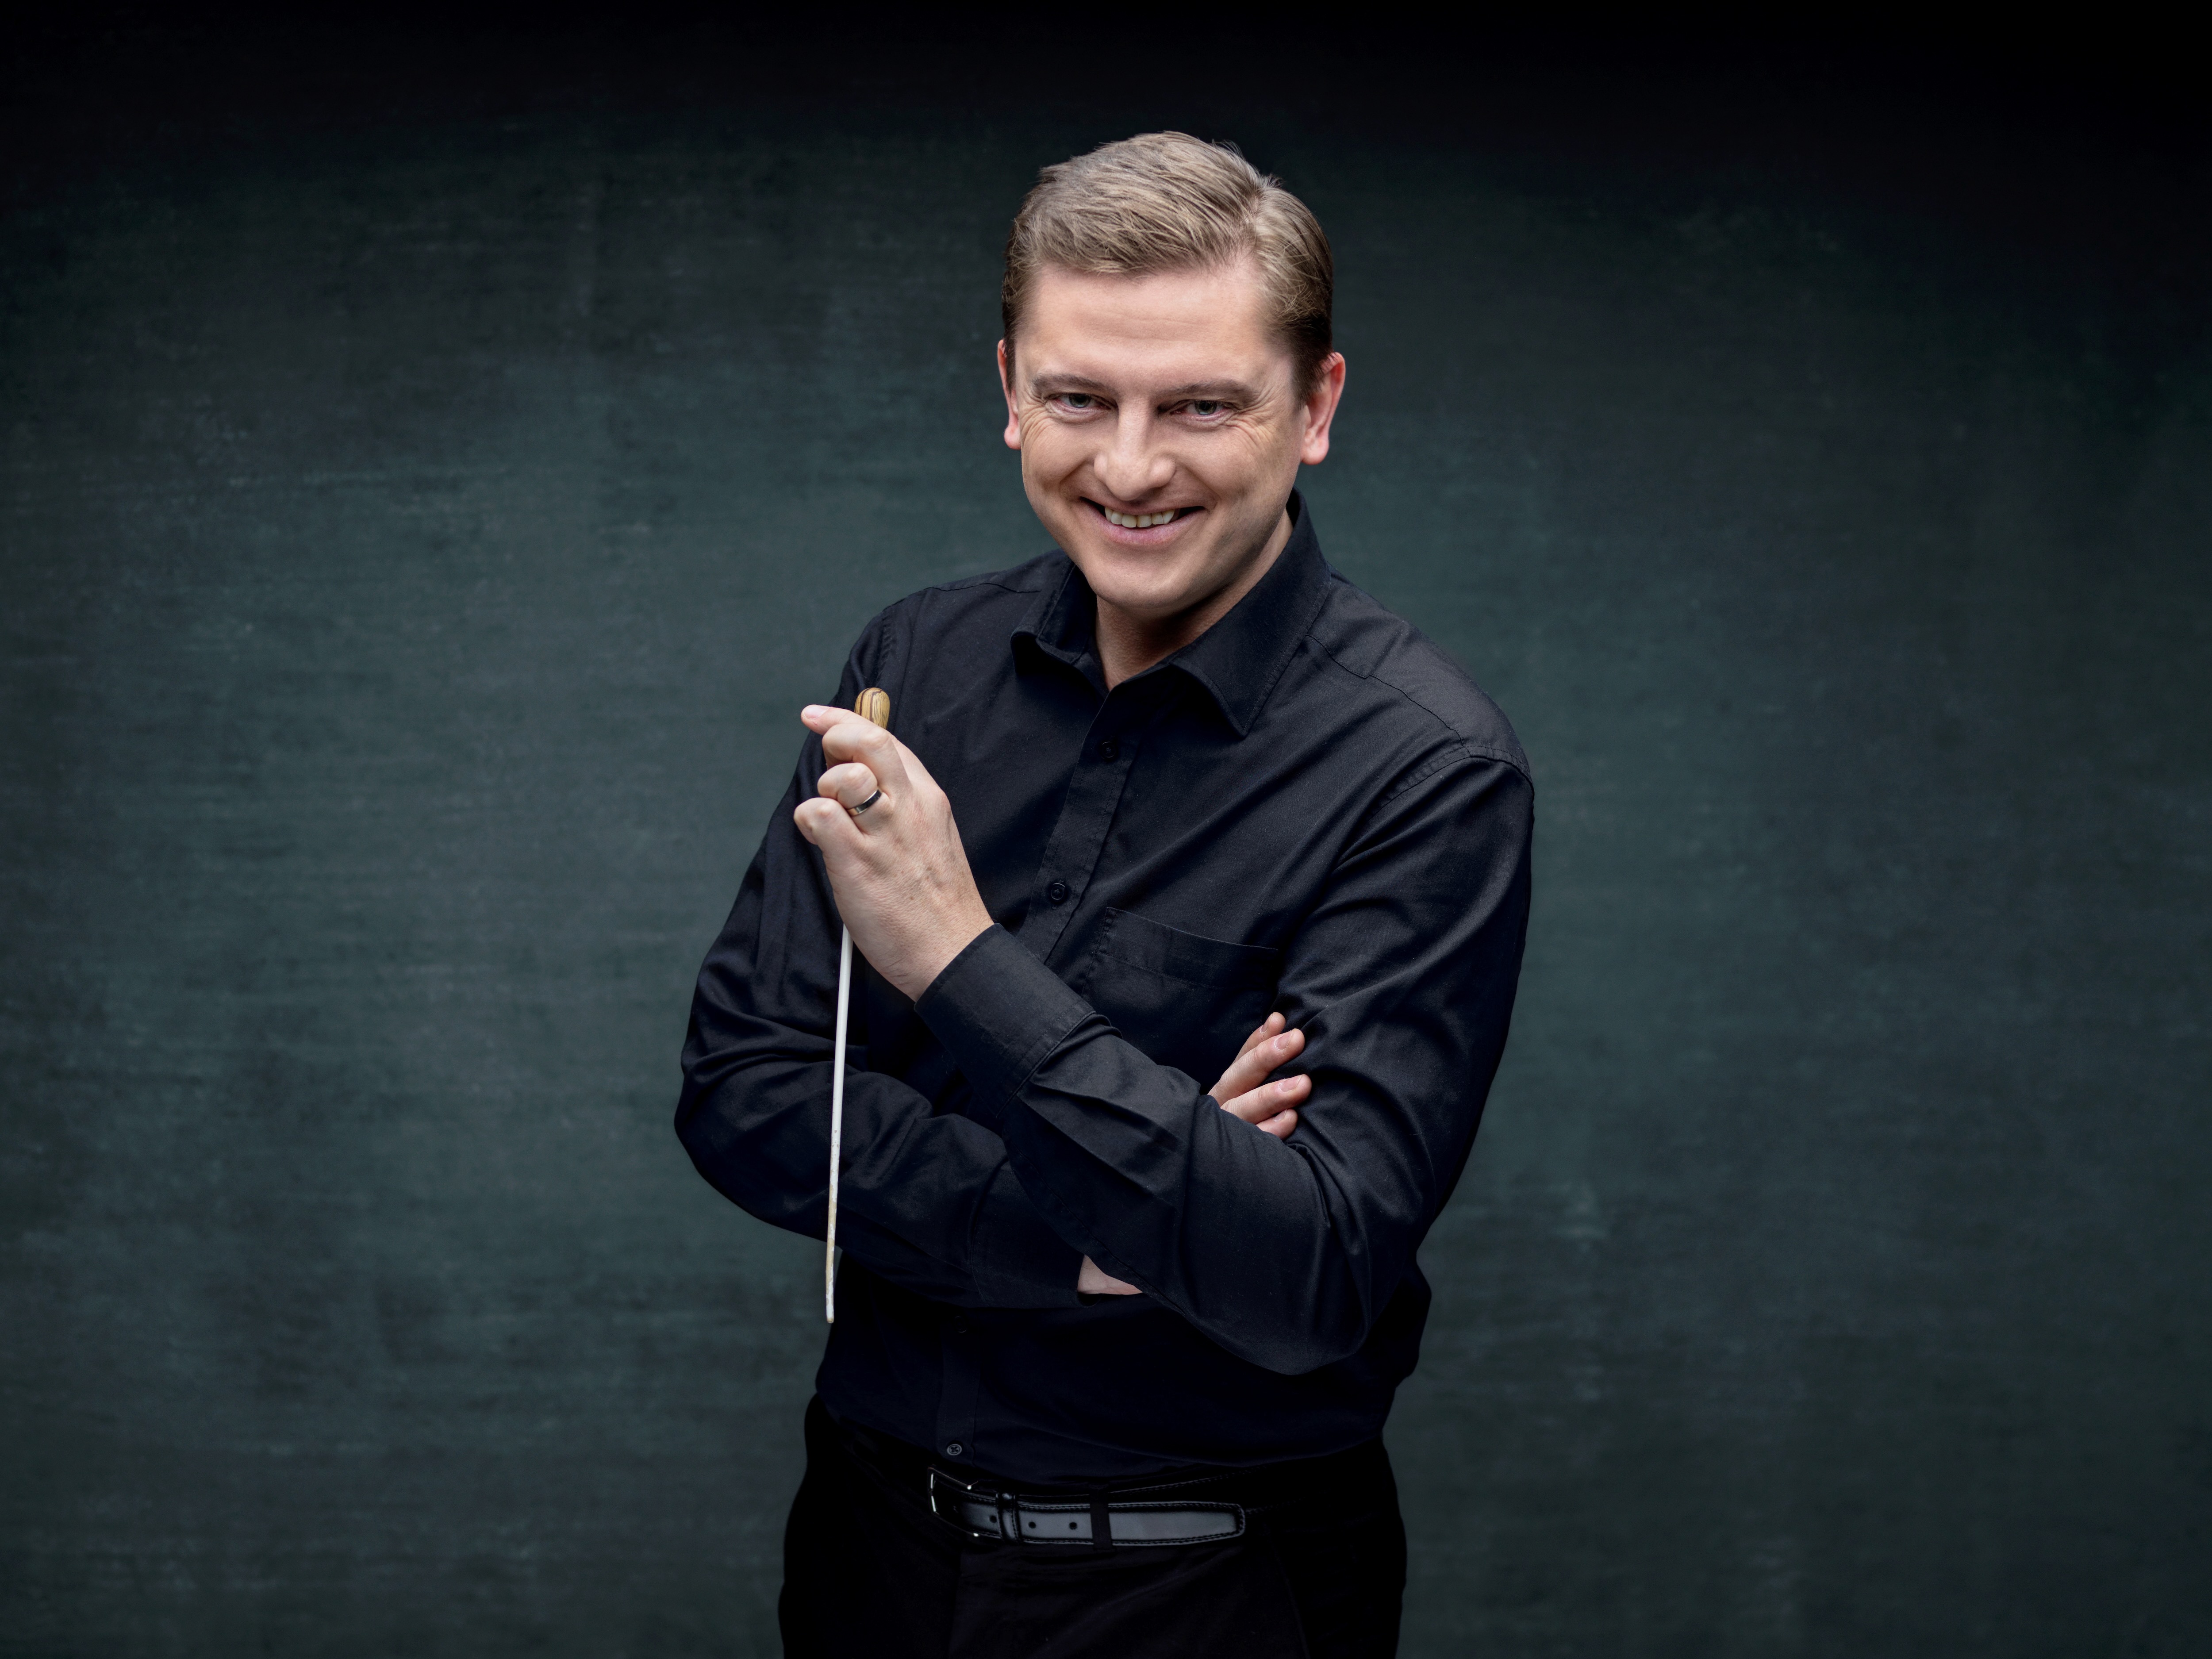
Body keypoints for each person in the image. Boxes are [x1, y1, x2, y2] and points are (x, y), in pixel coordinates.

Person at [676, 131, 1532, 1658]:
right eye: (1080, 400)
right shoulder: (913, 664)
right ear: (1011, 388)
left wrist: (954, 956)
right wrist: (1101, 1223)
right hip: (870, 1550)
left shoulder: (1429, 770)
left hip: (1208, 1592)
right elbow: (746, 1090)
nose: (1130, 469)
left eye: (1201, 406)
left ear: (1316, 407)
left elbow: (1304, 1272)